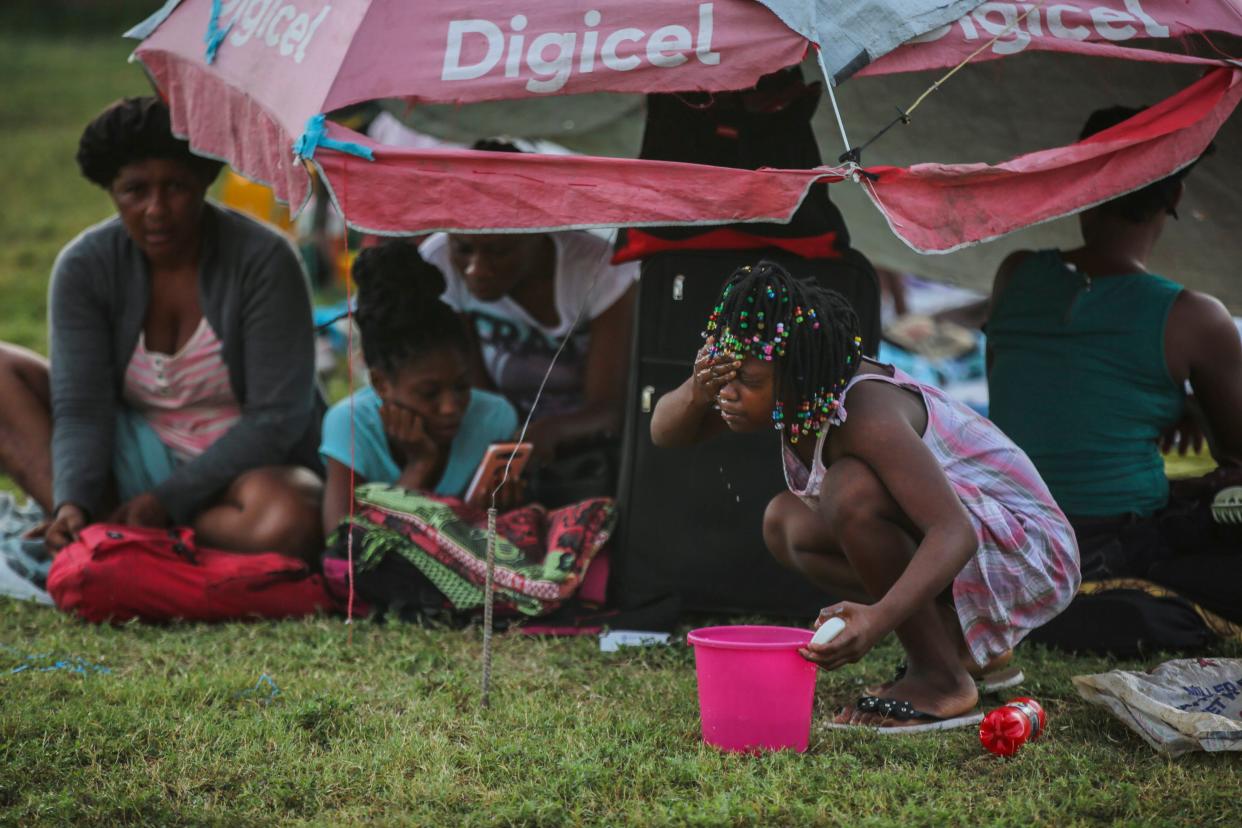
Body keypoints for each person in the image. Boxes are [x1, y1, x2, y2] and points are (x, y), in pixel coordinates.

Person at [650, 261, 1079, 731]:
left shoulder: (865, 412)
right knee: (786, 523)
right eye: (722, 378)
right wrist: (698, 388)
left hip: (1029, 548)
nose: (728, 394)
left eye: (746, 383)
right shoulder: (774, 385)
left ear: (799, 375)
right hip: (973, 539)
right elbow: (666, 433)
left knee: (849, 490)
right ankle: (962, 645)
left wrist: (875, 622)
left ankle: (942, 680)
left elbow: (954, 532)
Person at [0, 96, 323, 561]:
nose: (156, 209)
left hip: (241, 471)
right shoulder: (84, 266)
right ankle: (84, 525)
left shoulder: (264, 261)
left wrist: (165, 502)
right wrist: (72, 499)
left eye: (176, 186)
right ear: (111, 190)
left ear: (204, 181)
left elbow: (278, 418)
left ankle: (133, 537)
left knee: (292, 518)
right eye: (135, 190)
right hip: (133, 450)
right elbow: (82, 408)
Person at [986, 107, 1242, 634]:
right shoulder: (1194, 317)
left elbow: (1042, 395)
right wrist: (1190, 404)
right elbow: (1235, 456)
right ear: (1173, 198)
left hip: (1011, 534)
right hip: (1115, 541)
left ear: (1082, 183)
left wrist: (1177, 403)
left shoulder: (1015, 274)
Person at [418, 142, 638, 466]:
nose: (476, 270)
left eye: (498, 252)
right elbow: (474, 393)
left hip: (586, 455)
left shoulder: (599, 270)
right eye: (464, 249)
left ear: (540, 231)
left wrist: (543, 434)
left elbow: (609, 408)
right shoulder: (438, 262)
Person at [319, 241, 519, 536]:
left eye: (461, 386)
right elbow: (343, 546)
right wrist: (420, 466)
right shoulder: (350, 424)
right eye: (429, 393)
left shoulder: (495, 418)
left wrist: (499, 510)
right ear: (381, 384)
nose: (451, 407)